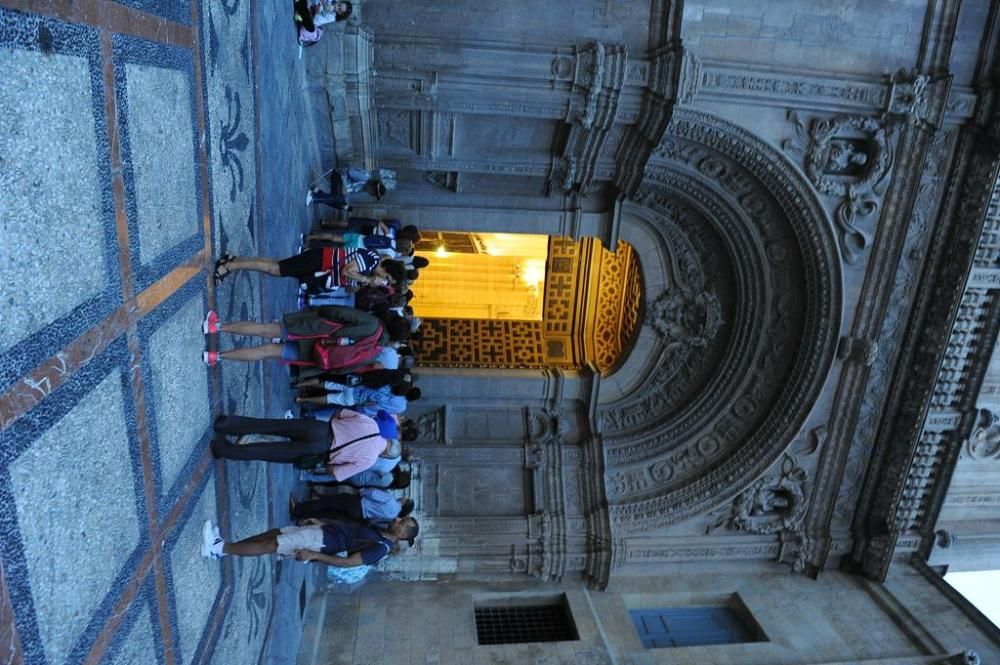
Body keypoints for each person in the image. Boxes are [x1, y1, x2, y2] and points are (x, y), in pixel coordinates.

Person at [210, 409, 387, 481]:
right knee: (269, 452)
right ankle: (223, 449)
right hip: (321, 450)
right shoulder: (370, 459)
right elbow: (336, 473)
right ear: (384, 454)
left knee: (271, 425)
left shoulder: (372, 424)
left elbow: (340, 412)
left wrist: (333, 427)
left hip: (318, 428)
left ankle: (227, 424)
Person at [200, 515, 418, 568]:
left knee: (271, 545)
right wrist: (321, 521)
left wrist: (314, 555)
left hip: (321, 542)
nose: (398, 519)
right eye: (402, 518)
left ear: (403, 536)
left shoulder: (381, 549)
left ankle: (216, 547)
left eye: (403, 522)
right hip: (322, 531)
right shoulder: (380, 528)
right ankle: (224, 548)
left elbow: (348, 562)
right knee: (272, 534)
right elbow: (350, 528)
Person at [212, 248, 405, 293]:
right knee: (275, 268)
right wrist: (367, 281)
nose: (384, 281)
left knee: (275, 263)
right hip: (319, 262)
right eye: (387, 278)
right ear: (387, 271)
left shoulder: (371, 262)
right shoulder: (371, 262)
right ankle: (228, 266)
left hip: (319, 260)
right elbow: (347, 270)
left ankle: (234, 260)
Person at [290, 489, 413, 523]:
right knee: (327, 512)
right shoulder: (392, 516)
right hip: (359, 515)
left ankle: (299, 508)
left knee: (326, 503)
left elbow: (373, 493)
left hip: (358, 503)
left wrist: (361, 491)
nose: (402, 497)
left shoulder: (391, 500)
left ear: (404, 503)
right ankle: (300, 515)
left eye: (405, 498)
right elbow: (375, 520)